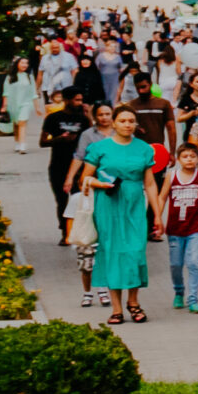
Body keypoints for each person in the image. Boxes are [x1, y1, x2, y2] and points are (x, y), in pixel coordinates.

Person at [84, 103, 159, 327]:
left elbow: (150, 184)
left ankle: (133, 302)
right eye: (123, 121)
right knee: (112, 252)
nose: (127, 125)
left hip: (134, 204)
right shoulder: (99, 148)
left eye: (131, 121)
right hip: (108, 204)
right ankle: (116, 308)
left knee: (135, 252)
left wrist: (157, 215)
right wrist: (100, 183)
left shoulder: (144, 149)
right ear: (114, 123)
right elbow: (85, 178)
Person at [156, 139, 198, 314]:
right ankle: (179, 291)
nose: (189, 159)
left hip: (195, 227)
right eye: (185, 156)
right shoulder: (172, 176)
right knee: (175, 264)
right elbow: (162, 197)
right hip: (175, 228)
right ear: (179, 159)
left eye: (192, 156)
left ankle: (193, 299)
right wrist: (157, 218)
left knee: (194, 263)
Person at [42, 89, 89, 241]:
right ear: (67, 100)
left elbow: (92, 138)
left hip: (79, 166)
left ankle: (78, 230)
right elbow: (42, 142)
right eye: (77, 100)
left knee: (79, 199)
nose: (80, 103)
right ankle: (64, 232)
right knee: (62, 201)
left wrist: (89, 115)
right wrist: (59, 139)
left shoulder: (83, 119)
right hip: (58, 165)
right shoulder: (53, 118)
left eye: (81, 100)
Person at [4, 55, 38, 153]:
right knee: (16, 124)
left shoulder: (29, 77)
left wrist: (37, 107)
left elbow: (34, 92)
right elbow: (6, 92)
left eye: (26, 63)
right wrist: (4, 105)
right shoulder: (10, 77)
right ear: (17, 64)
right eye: (22, 63)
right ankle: (17, 142)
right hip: (13, 104)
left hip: (26, 104)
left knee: (22, 122)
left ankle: (23, 145)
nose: (25, 65)